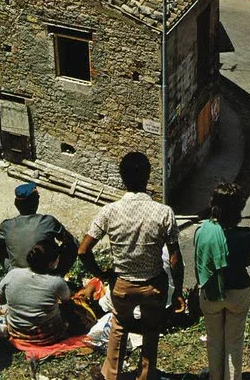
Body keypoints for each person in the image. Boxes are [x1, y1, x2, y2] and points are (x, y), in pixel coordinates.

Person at [77, 152, 183, 380]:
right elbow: (174, 258)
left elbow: (83, 250)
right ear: (147, 177)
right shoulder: (164, 212)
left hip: (122, 285)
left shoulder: (109, 212)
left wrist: (100, 274)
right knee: (151, 329)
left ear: (122, 178)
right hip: (153, 285)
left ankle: (111, 374)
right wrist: (179, 292)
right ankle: (146, 375)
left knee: (119, 325)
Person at [195, 183, 250, 380]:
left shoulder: (201, 232)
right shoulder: (248, 235)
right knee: (234, 343)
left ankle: (215, 376)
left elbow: (199, 261)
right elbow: (248, 257)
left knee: (214, 341)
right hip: (238, 292)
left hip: (211, 292)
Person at [0, 241, 99, 345]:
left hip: (17, 333)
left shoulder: (12, 274)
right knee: (75, 312)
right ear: (51, 263)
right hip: (47, 336)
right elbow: (67, 303)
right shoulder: (56, 282)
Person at [0, 183, 77, 274]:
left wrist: (8, 268)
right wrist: (60, 270)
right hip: (44, 274)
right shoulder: (47, 222)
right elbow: (70, 241)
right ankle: (58, 275)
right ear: (36, 202)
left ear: (16, 204)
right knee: (73, 243)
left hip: (15, 274)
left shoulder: (6, 226)